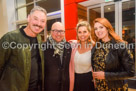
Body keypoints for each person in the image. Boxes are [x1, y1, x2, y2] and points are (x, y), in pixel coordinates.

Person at [0, 6, 47, 91]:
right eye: (35, 19)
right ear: (28, 18)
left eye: (43, 21)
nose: (39, 24)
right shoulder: (10, 38)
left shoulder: (39, 38)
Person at [91, 18, 135, 91]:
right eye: (96, 28)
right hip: (99, 87)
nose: (98, 31)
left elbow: (131, 72)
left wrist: (106, 75)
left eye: (101, 27)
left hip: (116, 87)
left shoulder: (120, 46)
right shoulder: (96, 46)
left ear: (107, 28)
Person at [44, 22, 72, 91]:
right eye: (56, 31)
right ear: (51, 32)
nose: (59, 34)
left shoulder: (68, 46)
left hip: (65, 87)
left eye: (61, 31)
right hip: (49, 88)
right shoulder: (43, 47)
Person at [69, 21, 95, 91]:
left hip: (88, 81)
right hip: (75, 80)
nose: (82, 34)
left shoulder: (94, 47)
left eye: (84, 32)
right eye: (79, 32)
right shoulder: (73, 45)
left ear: (89, 33)